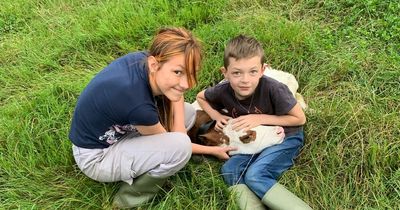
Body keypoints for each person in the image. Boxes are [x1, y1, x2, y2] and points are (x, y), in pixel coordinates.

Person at [69, 27, 221, 208]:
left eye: (191, 73)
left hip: (118, 130)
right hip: (96, 157)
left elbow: (176, 103)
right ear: (154, 64)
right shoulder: (138, 105)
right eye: (178, 72)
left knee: (187, 114)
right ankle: (129, 198)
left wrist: (178, 130)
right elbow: (176, 144)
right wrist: (211, 151)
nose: (187, 83)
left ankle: (162, 152)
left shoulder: (147, 60)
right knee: (179, 148)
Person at [196, 35, 312, 210]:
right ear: (225, 73)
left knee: (255, 175)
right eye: (236, 73)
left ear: (263, 70)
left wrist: (259, 118)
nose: (245, 80)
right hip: (251, 143)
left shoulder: (273, 89)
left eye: (253, 71)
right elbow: (201, 97)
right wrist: (215, 116)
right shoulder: (223, 90)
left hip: (283, 137)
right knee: (229, 170)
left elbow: (299, 118)